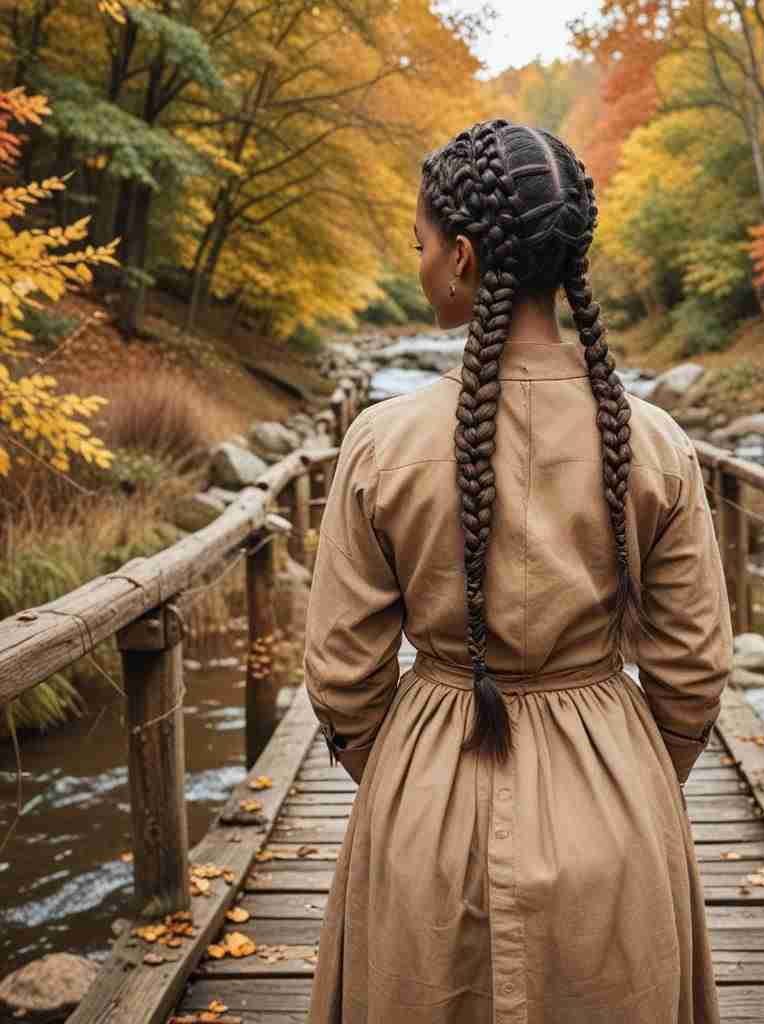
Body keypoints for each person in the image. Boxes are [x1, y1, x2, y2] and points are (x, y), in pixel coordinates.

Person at [303, 119, 733, 1024]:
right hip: (617, 801)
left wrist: (408, 781)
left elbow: (343, 675)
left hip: (426, 795)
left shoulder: (384, 442)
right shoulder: (655, 443)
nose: (419, 263)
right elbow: (693, 671)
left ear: (461, 256)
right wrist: (632, 776)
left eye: (419, 246)